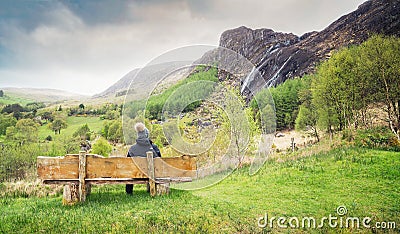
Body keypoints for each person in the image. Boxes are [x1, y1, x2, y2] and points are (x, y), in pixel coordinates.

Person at [126, 122, 161, 195]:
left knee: (130, 170)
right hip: (151, 174)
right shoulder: (154, 148)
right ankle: (152, 189)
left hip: (135, 175)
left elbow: (127, 164)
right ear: (147, 135)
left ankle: (129, 192)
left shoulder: (132, 149)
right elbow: (159, 161)